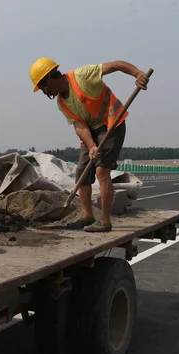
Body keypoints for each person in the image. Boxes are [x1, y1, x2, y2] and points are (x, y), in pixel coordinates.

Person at [29, 58, 149, 232]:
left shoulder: (82, 76)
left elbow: (115, 65)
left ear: (49, 79)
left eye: (43, 88)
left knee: (102, 171)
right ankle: (87, 217)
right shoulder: (62, 102)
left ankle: (105, 222)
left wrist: (137, 74)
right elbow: (80, 125)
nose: (45, 92)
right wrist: (92, 146)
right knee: (82, 174)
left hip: (111, 124)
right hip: (91, 132)